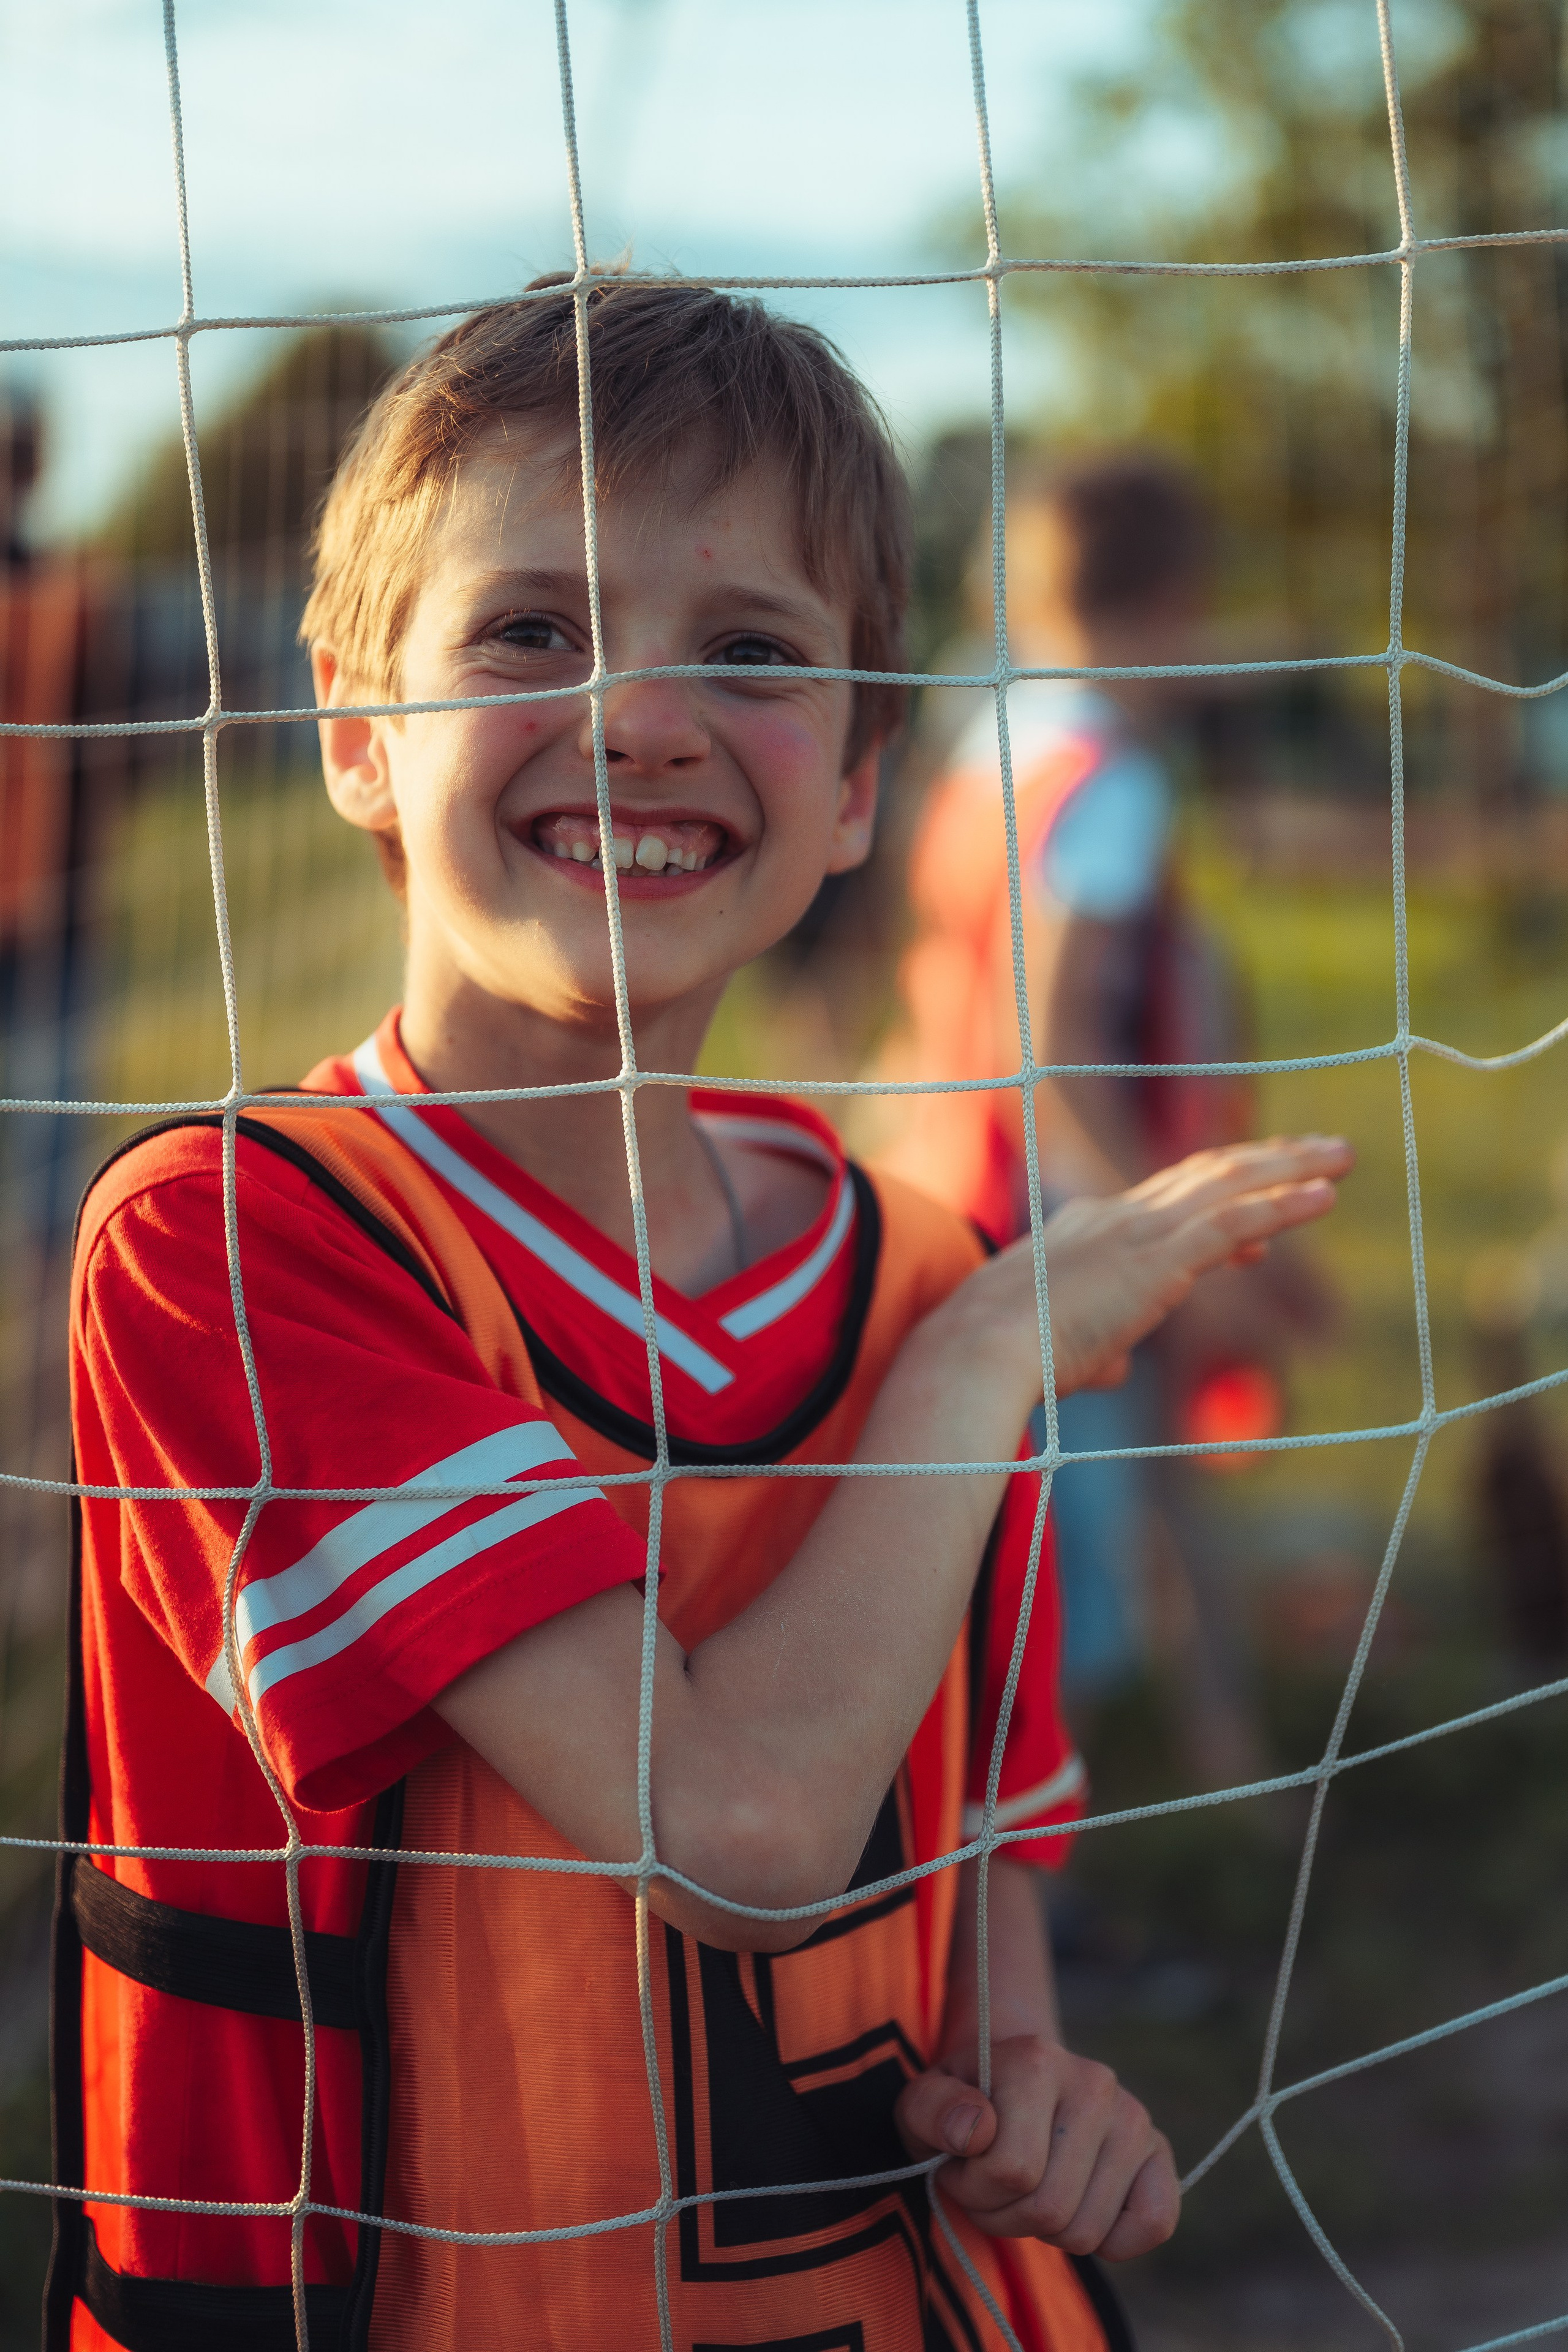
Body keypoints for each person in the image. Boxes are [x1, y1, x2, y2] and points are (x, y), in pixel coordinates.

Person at [53, 284, 1348, 2351]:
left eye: (747, 650)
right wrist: (986, 1363)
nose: (642, 716)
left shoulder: (907, 1262)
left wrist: (1035, 2091)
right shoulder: (237, 1240)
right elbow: (742, 1841)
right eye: (530, 631)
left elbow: (974, 1882)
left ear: (855, 787)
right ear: (353, 729)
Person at [883, 458, 1325, 1746]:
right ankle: (1031, 1863)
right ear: (1181, 598)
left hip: (955, 1166)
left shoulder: (992, 740)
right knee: (1059, 1554)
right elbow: (1056, 1039)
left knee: (1146, 1485)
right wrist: (1167, 1231)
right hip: (1053, 1203)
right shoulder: (1110, 786)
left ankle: (1219, 1745)